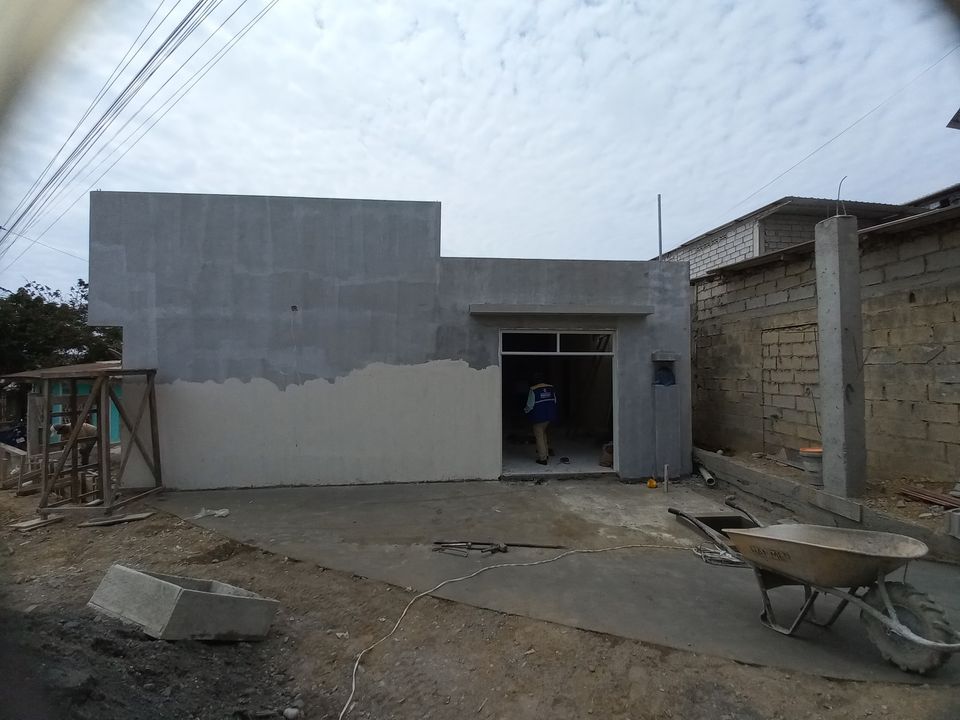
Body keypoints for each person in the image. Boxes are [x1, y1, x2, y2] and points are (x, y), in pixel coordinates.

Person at [523, 371, 557, 465]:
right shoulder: (550, 388)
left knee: (539, 437)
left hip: (538, 417)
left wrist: (525, 411)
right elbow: (554, 401)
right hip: (549, 416)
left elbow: (530, 405)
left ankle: (542, 459)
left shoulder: (533, 390)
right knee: (543, 434)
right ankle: (546, 454)